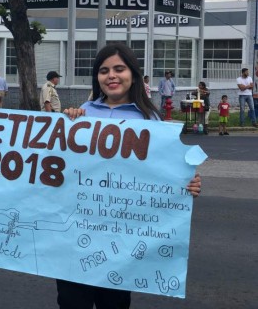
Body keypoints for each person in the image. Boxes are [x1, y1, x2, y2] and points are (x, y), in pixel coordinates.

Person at [61, 44, 201, 309]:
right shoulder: (82, 113)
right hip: (75, 235)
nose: (111, 76)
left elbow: (168, 172)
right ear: (97, 77)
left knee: (113, 304)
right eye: (104, 71)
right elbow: (59, 164)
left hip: (121, 241)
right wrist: (68, 120)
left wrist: (188, 184)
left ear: (133, 75)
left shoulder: (151, 120)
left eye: (119, 69)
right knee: (70, 302)